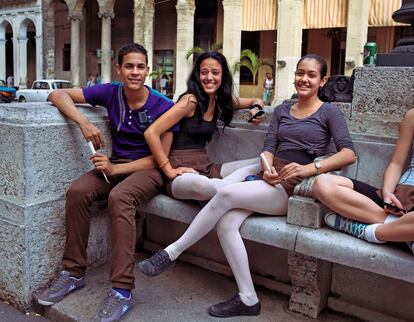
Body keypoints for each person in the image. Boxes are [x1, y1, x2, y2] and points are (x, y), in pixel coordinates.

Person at [138, 53, 356, 317]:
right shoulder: (283, 111)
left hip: (294, 186)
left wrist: (310, 168)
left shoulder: (329, 112)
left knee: (225, 192)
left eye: (311, 75)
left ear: (323, 80)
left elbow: (348, 153)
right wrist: (267, 167)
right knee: (226, 223)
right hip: (268, 179)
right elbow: (267, 149)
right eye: (300, 73)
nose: (304, 79)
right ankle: (248, 298)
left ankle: (172, 252)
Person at [37, 43, 177, 322]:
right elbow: (56, 94)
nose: (134, 72)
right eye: (129, 66)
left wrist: (114, 169)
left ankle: (122, 292)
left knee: (120, 197)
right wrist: (83, 122)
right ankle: (73, 273)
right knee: (77, 191)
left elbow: (159, 159)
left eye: (140, 67)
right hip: (117, 165)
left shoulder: (164, 105)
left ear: (148, 70)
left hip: (148, 170)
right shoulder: (111, 92)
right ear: (119, 69)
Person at [143, 51, 266, 202]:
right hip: (182, 174)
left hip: (207, 168)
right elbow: (151, 132)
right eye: (204, 72)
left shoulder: (220, 102)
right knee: (204, 187)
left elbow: (256, 99)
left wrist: (256, 109)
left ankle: (227, 189)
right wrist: (168, 170)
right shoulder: (190, 101)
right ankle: (237, 189)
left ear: (223, 76)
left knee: (261, 162)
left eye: (215, 72)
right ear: (197, 76)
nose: (209, 78)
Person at [313, 109, 414, 253]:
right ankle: (402, 233)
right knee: (323, 183)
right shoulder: (412, 116)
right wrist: (387, 193)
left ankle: (370, 232)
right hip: (403, 195)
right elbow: (396, 163)